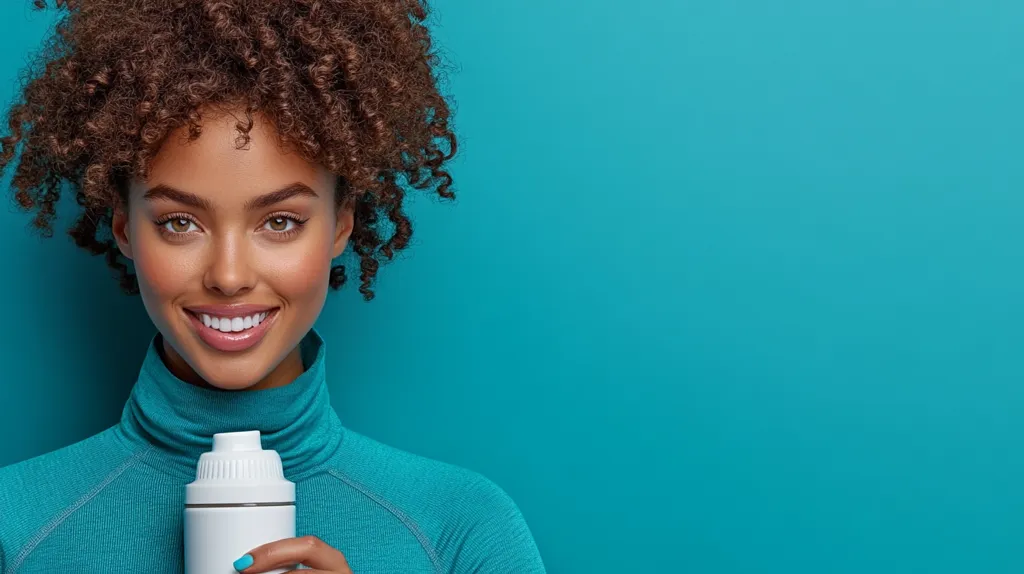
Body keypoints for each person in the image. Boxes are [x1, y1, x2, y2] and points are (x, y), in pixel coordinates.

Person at [0, 0, 546, 572]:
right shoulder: (18, 527)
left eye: (280, 221)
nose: (229, 276)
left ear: (340, 224)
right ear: (124, 228)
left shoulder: (460, 531)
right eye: (179, 222)